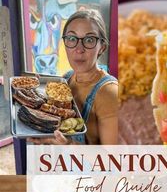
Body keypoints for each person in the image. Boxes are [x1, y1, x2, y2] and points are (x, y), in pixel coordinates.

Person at [30, 8, 118, 145]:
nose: (79, 49)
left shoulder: (109, 93)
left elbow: (114, 160)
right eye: (72, 39)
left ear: (102, 47)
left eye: (89, 40)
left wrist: (69, 145)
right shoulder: (66, 78)